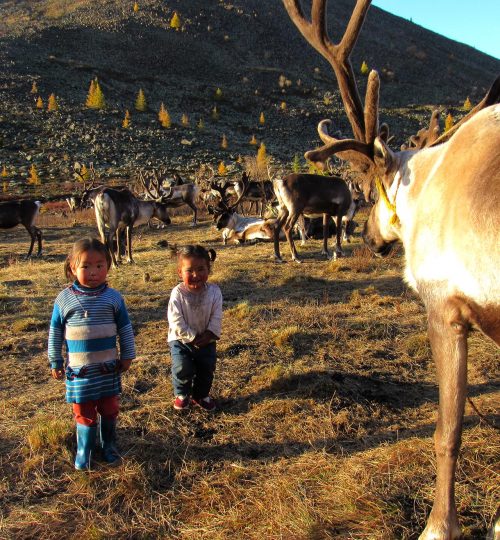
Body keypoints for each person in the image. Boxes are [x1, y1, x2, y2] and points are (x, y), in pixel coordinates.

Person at [48, 238, 136, 470]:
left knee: (109, 408)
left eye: (100, 265)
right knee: (84, 411)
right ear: (72, 268)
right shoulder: (64, 299)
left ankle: (109, 446)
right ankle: (84, 450)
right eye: (86, 266)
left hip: (108, 368)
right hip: (80, 371)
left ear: (108, 265)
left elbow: (125, 329)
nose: (94, 272)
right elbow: (55, 332)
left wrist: (127, 355)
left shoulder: (114, 298)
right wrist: (55, 359)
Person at [167, 245, 222, 411]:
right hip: (181, 340)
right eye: (189, 270)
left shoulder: (214, 292)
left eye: (201, 269)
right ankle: (182, 394)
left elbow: (217, 315)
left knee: (207, 368)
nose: (196, 275)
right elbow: (175, 320)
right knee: (182, 367)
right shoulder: (177, 293)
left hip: (206, 339)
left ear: (208, 269)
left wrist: (210, 334)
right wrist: (191, 337)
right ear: (180, 273)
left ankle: (201, 395)